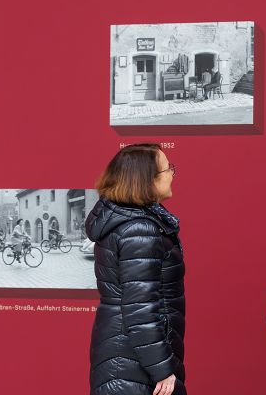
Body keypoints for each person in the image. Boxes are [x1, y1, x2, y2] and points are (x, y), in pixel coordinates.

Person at [85, 143, 186, 395]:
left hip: (124, 356)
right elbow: (140, 309)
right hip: (134, 363)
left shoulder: (123, 220)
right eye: (167, 169)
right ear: (147, 180)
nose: (173, 174)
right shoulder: (139, 229)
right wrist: (163, 369)